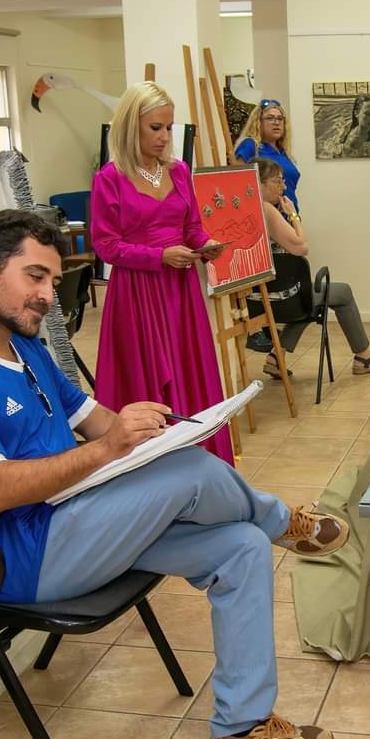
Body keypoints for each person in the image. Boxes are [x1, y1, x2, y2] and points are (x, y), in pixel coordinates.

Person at [0, 209, 354, 739]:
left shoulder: (24, 347)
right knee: (194, 473)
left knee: (242, 546)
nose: (48, 296)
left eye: (53, 281)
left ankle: (240, 729)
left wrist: (154, 435)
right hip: (20, 556)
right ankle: (283, 522)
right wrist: (109, 450)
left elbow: (94, 421)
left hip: (78, 520)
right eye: (35, 277)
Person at [90, 82, 232, 463]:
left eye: (168, 127)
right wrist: (159, 256)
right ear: (130, 126)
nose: (165, 136)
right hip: (137, 294)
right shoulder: (109, 179)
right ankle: (151, 466)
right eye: (155, 127)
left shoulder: (179, 172)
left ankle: (199, 459)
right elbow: (106, 245)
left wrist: (205, 244)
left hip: (181, 293)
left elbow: (191, 227)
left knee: (189, 369)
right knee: (147, 380)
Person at [254, 158, 370, 378]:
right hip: (278, 299)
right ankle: (364, 358)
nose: (284, 187)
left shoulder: (244, 210)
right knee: (341, 292)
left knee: (308, 297)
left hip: (254, 300)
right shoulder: (266, 210)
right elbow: (301, 247)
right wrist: (293, 214)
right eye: (278, 181)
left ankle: (276, 357)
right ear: (259, 182)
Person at [235, 98, 303, 354]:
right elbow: (238, 182)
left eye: (280, 118)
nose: (276, 123)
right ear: (258, 121)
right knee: (266, 280)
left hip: (288, 217)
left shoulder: (282, 151)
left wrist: (292, 215)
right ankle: (256, 329)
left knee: (289, 278)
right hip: (266, 219)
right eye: (270, 118)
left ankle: (275, 348)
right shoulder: (251, 145)